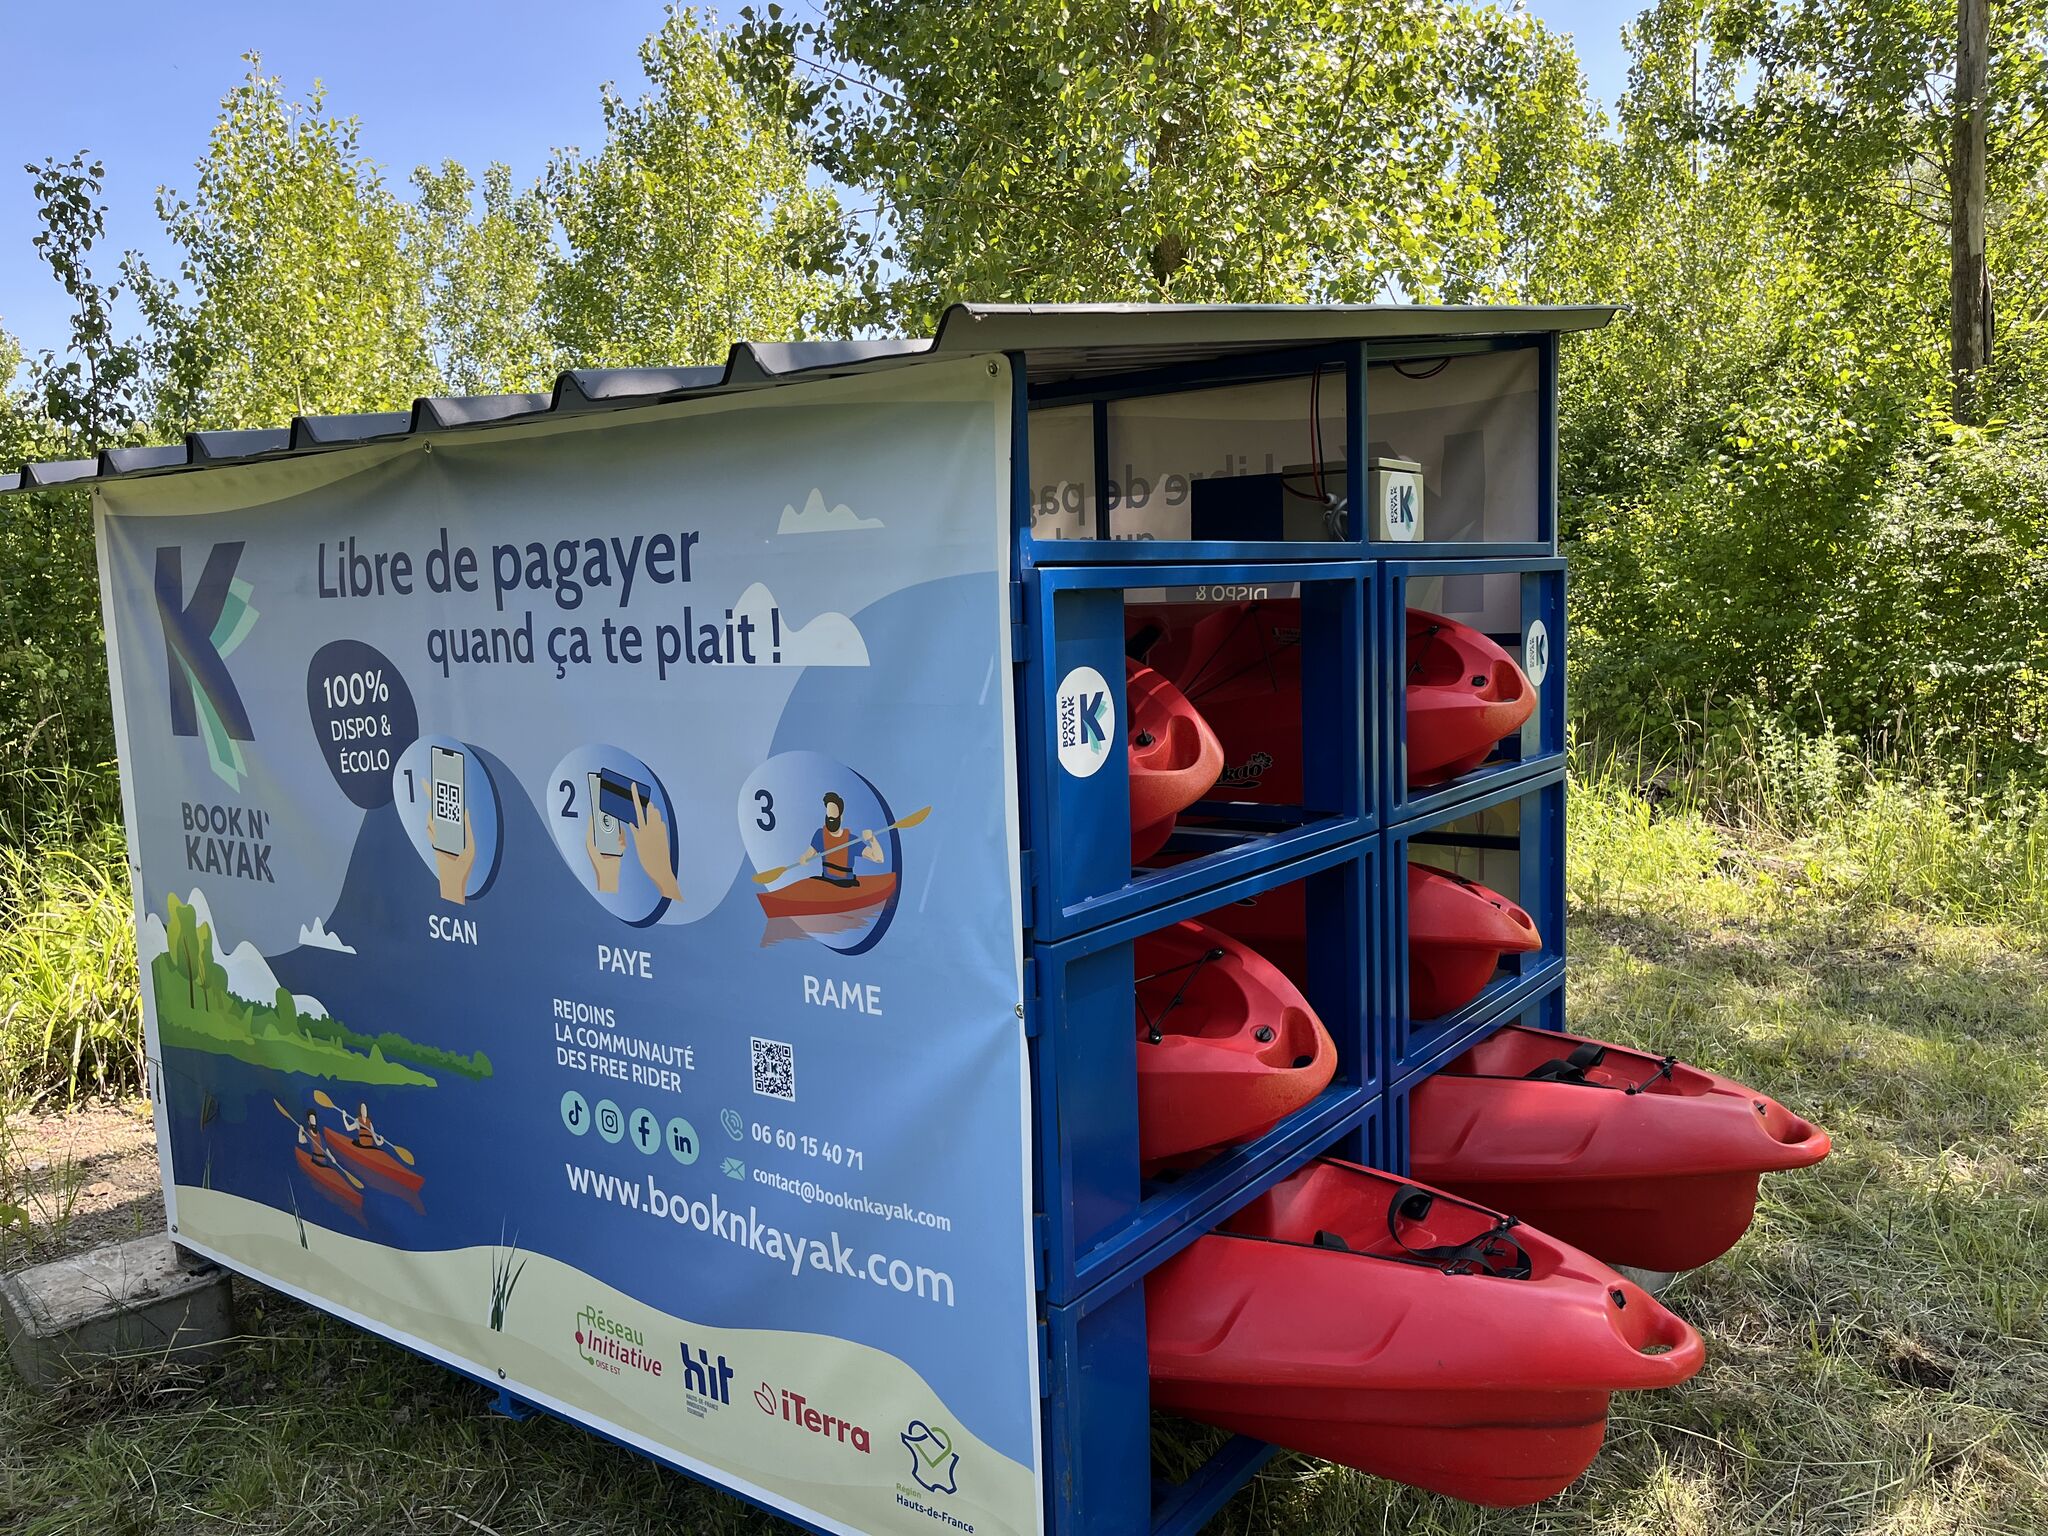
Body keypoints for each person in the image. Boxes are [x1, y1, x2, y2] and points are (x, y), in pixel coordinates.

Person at [798, 792, 884, 887]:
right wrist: (804, 858)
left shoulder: (851, 841)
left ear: (841, 817)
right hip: (826, 882)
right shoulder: (820, 835)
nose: (830, 818)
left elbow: (878, 858)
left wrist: (872, 839)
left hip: (845, 884)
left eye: (833, 815)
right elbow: (809, 854)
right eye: (828, 815)